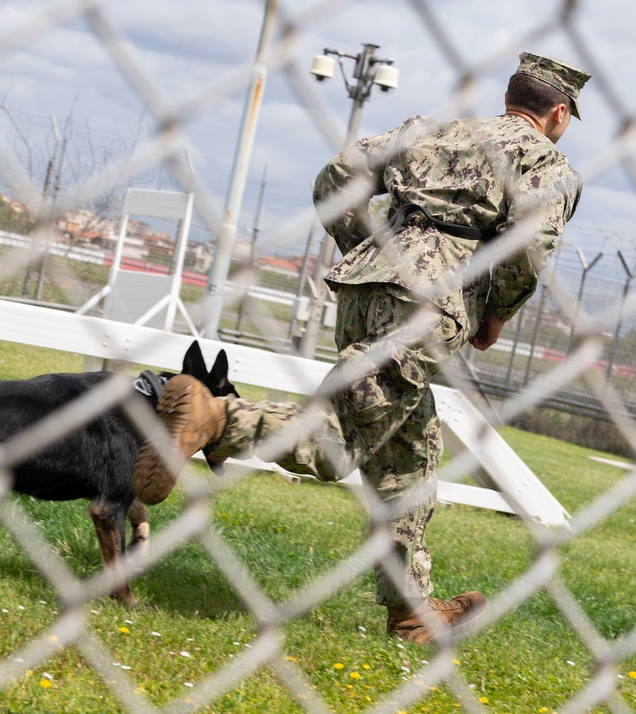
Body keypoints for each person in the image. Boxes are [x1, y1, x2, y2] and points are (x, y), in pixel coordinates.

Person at [133, 52, 590, 644]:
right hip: (431, 303)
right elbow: (527, 250)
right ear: (558, 112)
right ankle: (217, 417)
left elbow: (334, 178)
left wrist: (367, 248)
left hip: (364, 287)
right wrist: (496, 315)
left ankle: (411, 611)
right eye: (569, 118)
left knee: (408, 456)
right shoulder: (547, 163)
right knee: (340, 441)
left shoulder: (437, 128)